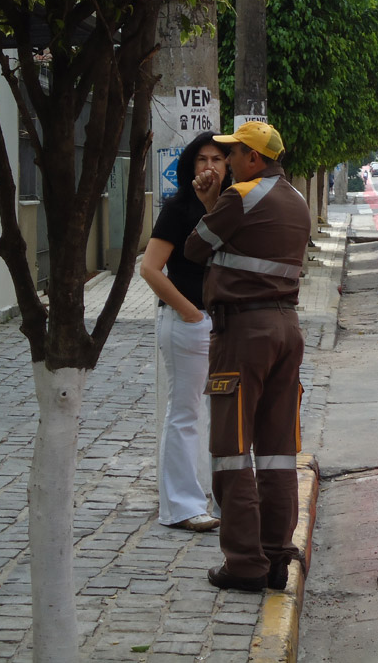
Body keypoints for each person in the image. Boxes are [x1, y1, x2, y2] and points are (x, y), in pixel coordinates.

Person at [184, 121, 311, 592]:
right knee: (278, 452)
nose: (227, 161)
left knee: (231, 451)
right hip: (287, 329)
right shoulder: (296, 201)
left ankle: (244, 564)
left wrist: (210, 201)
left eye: (233, 153)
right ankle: (277, 556)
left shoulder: (241, 197)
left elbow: (196, 247)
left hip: (243, 333)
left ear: (254, 158)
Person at [141, 132, 230, 533]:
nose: (209, 166)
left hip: (224, 324)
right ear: (190, 166)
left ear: (228, 165)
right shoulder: (179, 208)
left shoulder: (232, 206)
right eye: (201, 160)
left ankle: (220, 499)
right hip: (187, 325)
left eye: (217, 159)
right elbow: (149, 268)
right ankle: (180, 507)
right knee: (184, 413)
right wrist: (190, 312)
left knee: (222, 414)